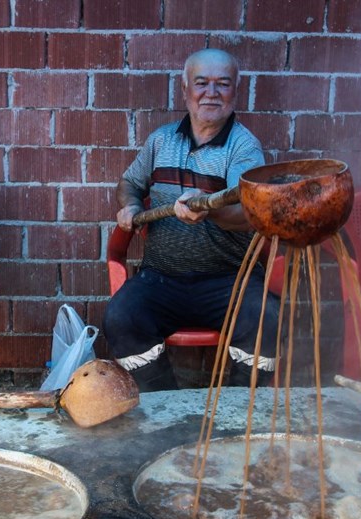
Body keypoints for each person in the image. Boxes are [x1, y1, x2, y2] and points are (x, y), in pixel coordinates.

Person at [104, 49, 278, 393]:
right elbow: (129, 183)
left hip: (231, 280)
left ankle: (238, 412)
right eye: (202, 83)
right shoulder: (160, 140)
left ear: (235, 91)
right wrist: (130, 205)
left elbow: (247, 213)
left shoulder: (244, 147)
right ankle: (167, 405)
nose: (211, 93)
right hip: (161, 278)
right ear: (185, 89)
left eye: (222, 84)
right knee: (120, 318)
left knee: (267, 319)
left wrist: (209, 210)